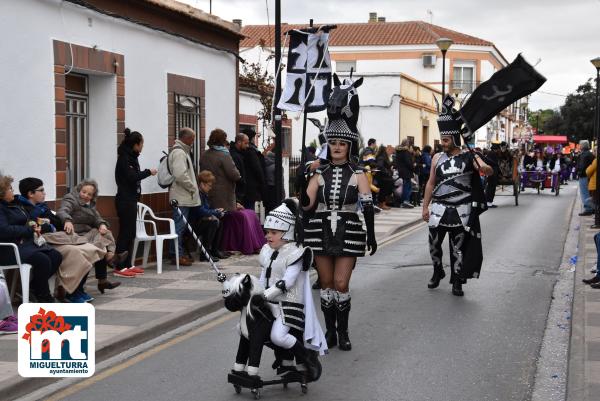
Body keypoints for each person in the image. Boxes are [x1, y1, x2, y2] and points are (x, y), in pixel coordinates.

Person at [300, 114, 377, 351]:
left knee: (340, 283)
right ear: (328, 145)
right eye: (333, 143)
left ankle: (343, 332)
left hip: (349, 231)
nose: (337, 147)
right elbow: (306, 205)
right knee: (325, 284)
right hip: (319, 231)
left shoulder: (359, 173)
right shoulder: (318, 173)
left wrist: (371, 235)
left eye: (342, 144)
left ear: (349, 147)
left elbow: (367, 206)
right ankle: (330, 332)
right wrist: (302, 177)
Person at [422, 95, 494, 297]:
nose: (443, 143)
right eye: (442, 140)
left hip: (461, 209)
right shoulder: (437, 157)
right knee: (434, 244)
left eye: (446, 140)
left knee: (458, 249)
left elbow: (486, 170)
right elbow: (430, 183)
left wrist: (484, 167)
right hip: (439, 208)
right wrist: (425, 207)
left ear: (454, 138)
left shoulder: (470, 156)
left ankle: (457, 281)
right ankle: (438, 271)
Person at [252, 199, 326, 380]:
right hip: (269, 302)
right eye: (267, 232)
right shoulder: (267, 250)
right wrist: (255, 292)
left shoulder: (297, 252)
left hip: (289, 304)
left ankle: (307, 357)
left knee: (278, 336)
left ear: (287, 233)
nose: (268, 236)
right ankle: (284, 359)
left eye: (274, 232)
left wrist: (265, 294)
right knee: (256, 332)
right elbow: (264, 275)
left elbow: (287, 281)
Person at [19, 177, 105, 303]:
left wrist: (56, 223)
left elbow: (56, 222)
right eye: (41, 190)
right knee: (76, 252)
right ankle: (71, 291)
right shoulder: (24, 209)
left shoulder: (42, 207)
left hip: (57, 238)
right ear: (31, 194)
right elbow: (36, 226)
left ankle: (79, 289)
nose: (45, 193)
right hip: (43, 242)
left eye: (90, 194)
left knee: (90, 248)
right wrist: (54, 223)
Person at [0, 173, 61, 302]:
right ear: (1, 192)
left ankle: (34, 287)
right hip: (8, 249)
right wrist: (28, 230)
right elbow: (4, 231)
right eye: (10, 188)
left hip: (23, 244)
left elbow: (28, 220)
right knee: (42, 260)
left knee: (56, 256)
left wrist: (36, 225)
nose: (13, 191)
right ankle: (44, 296)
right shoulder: (1, 208)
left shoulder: (14, 204)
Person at [57, 179, 123, 295]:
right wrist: (67, 220)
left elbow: (97, 218)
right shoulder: (71, 199)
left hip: (86, 234)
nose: (86, 196)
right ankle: (107, 264)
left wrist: (102, 224)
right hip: (74, 234)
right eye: (84, 192)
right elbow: (62, 211)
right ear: (79, 190)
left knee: (105, 233)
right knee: (99, 245)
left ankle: (109, 257)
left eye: (89, 194)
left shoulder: (90, 204)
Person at [114, 128, 157, 277]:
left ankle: (127, 263)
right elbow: (132, 177)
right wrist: (147, 172)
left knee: (131, 232)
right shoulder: (124, 159)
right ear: (136, 144)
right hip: (125, 200)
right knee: (125, 233)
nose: (142, 147)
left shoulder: (132, 156)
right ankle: (119, 265)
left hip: (132, 199)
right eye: (142, 144)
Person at [168, 127, 201, 266]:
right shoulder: (180, 153)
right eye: (192, 138)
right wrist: (192, 187)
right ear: (186, 138)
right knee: (179, 227)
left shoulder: (182, 152)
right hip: (181, 196)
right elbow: (180, 174)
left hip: (183, 196)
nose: (193, 141)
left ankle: (177, 253)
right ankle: (176, 255)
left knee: (180, 226)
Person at [190, 170, 227, 261]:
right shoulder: (197, 195)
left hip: (199, 221)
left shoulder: (203, 194)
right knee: (213, 223)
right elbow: (200, 211)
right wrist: (215, 212)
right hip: (193, 223)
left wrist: (215, 211)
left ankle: (214, 250)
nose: (210, 188)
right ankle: (205, 253)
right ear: (202, 184)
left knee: (218, 222)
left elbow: (205, 210)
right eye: (209, 185)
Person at [241, 128, 266, 210]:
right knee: (251, 210)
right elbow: (257, 169)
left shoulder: (242, 151)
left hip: (246, 187)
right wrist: (262, 184)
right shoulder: (251, 152)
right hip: (252, 187)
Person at [229, 133, 248, 207]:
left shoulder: (240, 154)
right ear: (239, 142)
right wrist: (242, 182)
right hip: (237, 193)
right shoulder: (235, 155)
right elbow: (236, 174)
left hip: (239, 192)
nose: (247, 146)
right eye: (245, 143)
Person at [395, 139, 415, 208]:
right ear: (406, 144)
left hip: (401, 171)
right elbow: (408, 162)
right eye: (408, 143)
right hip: (407, 172)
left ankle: (403, 201)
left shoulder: (398, 151)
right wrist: (413, 167)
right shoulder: (406, 152)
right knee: (407, 187)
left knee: (405, 186)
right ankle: (406, 201)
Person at [578, 140, 595, 216]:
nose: (579, 146)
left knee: (584, 192)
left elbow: (582, 166)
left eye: (580, 145)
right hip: (589, 176)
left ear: (582, 146)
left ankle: (588, 208)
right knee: (588, 193)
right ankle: (591, 207)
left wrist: (579, 173)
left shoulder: (584, 155)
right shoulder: (590, 154)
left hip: (584, 176)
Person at [374, 145, 394, 210]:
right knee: (383, 190)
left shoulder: (385, 156)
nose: (391, 152)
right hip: (382, 177)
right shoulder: (382, 157)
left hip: (385, 177)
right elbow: (380, 166)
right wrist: (387, 172)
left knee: (385, 190)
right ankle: (382, 204)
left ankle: (383, 203)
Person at [485, 143, 500, 208]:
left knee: (490, 188)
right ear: (495, 149)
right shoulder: (492, 154)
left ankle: (489, 202)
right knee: (491, 188)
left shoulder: (490, 154)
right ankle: (489, 203)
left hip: (491, 173)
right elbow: (495, 164)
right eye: (497, 149)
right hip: (492, 174)